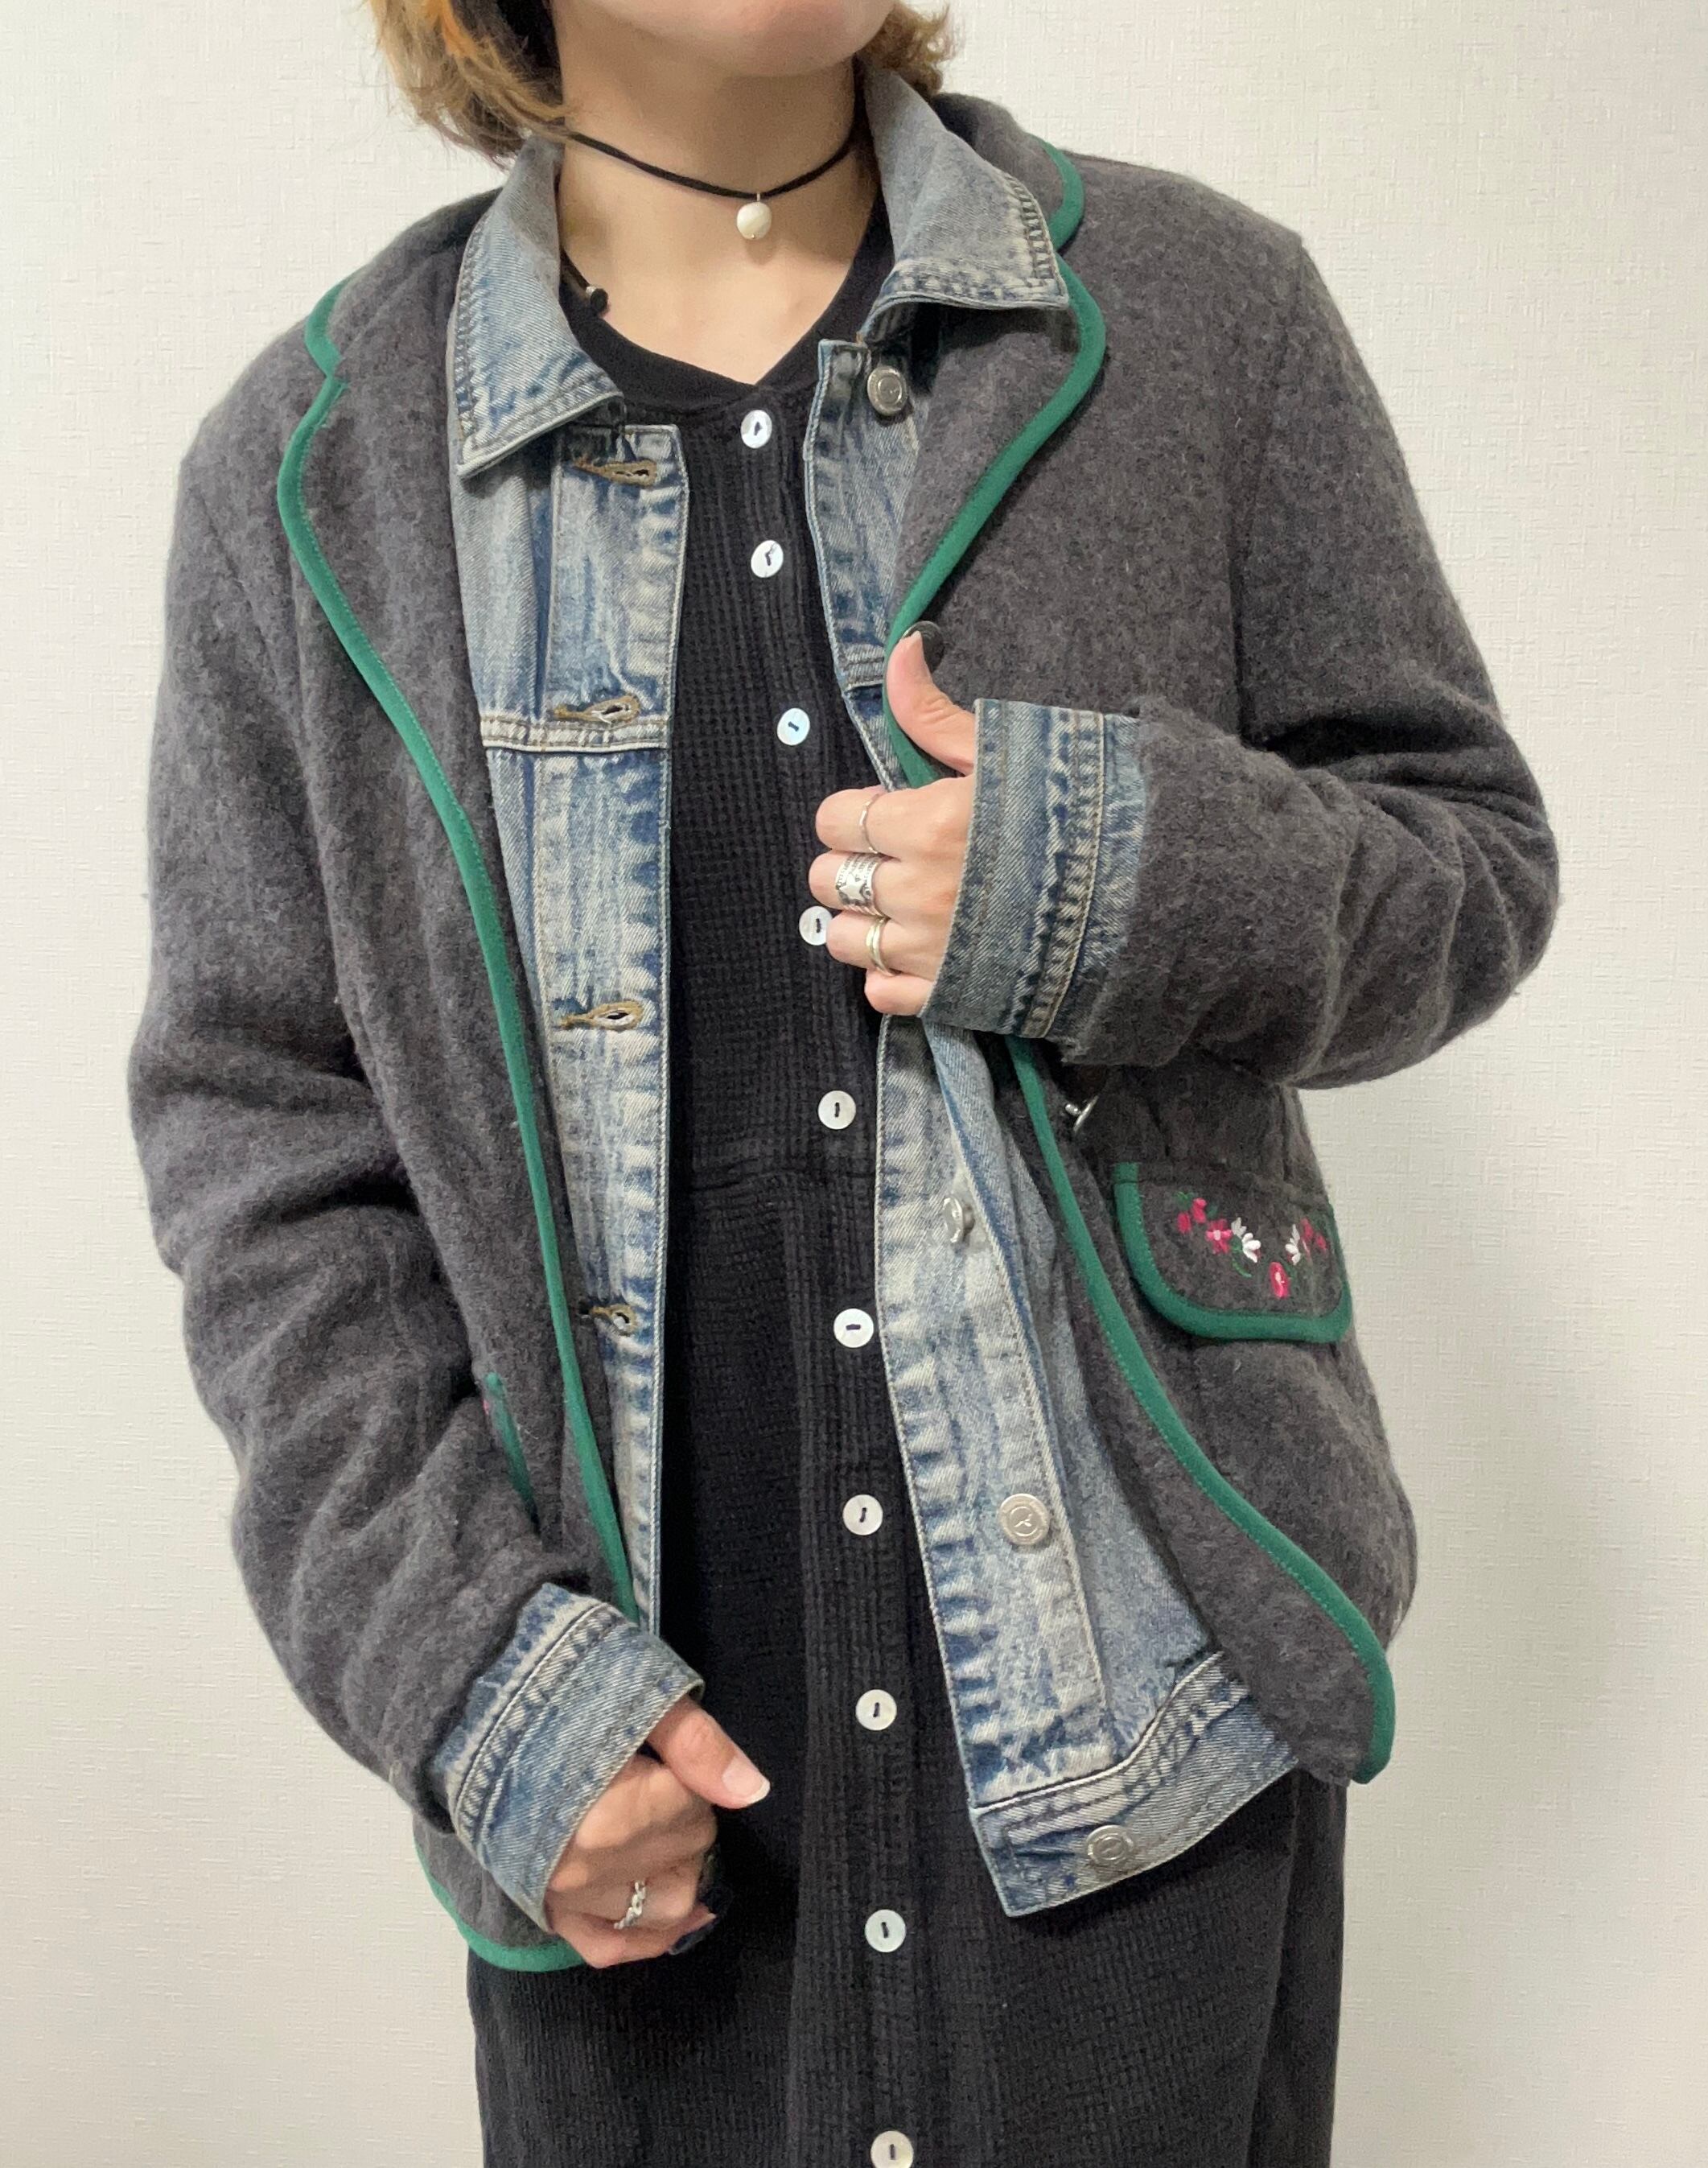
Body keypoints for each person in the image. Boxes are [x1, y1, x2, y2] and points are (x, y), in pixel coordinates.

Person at [126, 3, 1560, 2162]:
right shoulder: (317, 469)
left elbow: (1468, 867)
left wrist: (1112, 873)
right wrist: (475, 1682)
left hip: (1148, 1763)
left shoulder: (1196, 314)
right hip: (636, 1820)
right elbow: (267, 1143)